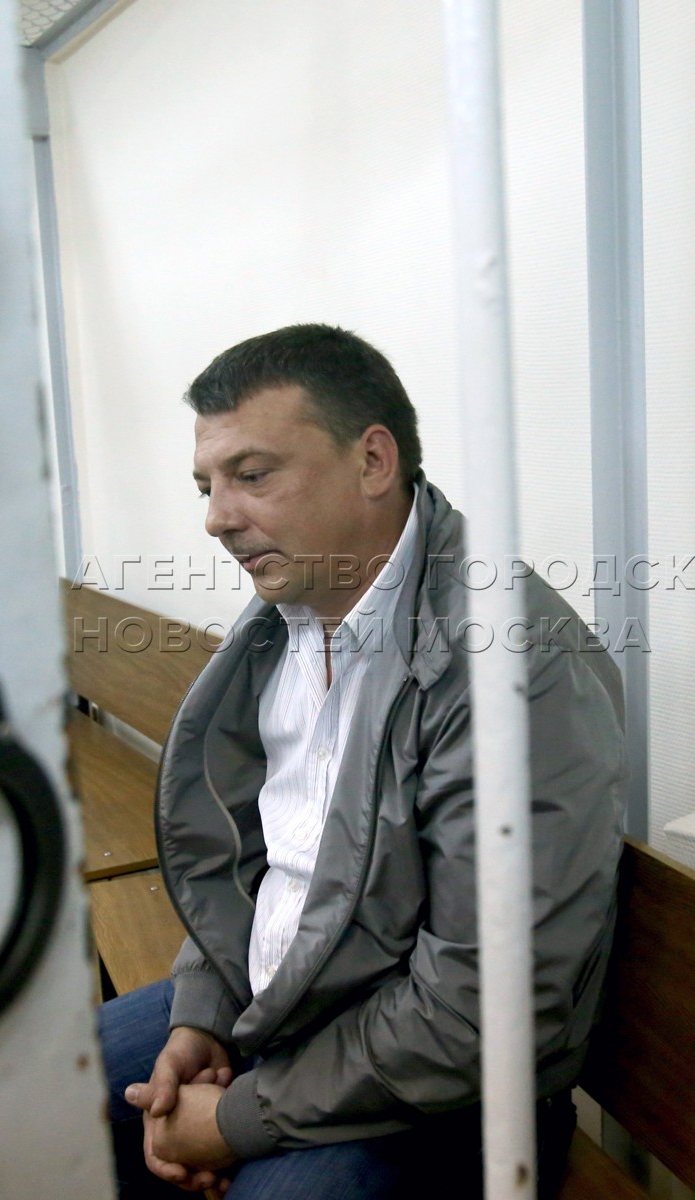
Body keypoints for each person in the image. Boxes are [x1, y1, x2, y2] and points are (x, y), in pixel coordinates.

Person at [98, 325, 625, 1198]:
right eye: (207, 486)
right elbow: (258, 862)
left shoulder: (511, 666)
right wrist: (203, 1014)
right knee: (22, 1100)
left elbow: (480, 1011)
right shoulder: (290, 618)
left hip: (446, 1090)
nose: (217, 517)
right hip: (277, 1003)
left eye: (252, 475)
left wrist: (231, 1121)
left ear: (373, 461)